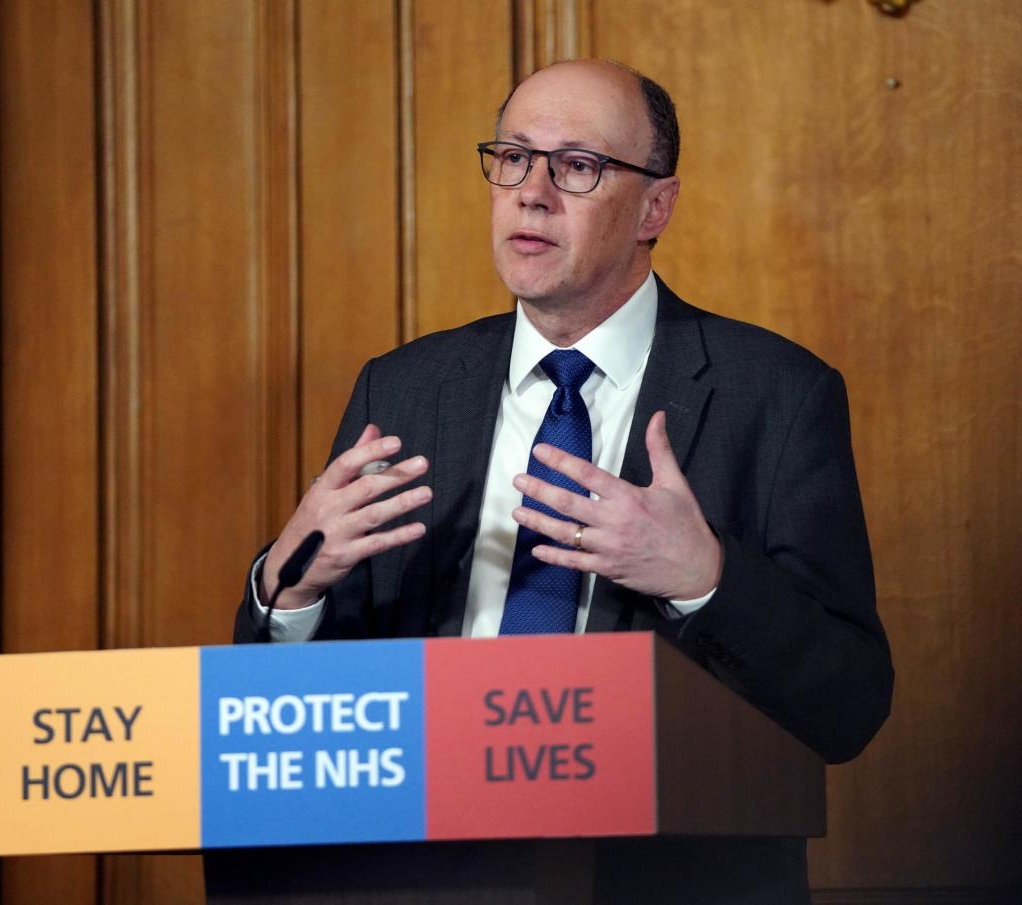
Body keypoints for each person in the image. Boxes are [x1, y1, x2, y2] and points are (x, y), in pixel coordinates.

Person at [232, 59, 892, 905]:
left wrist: (706, 581)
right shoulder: (401, 388)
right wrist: (292, 590)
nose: (531, 192)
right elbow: (295, 708)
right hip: (411, 873)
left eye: (577, 166)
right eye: (512, 157)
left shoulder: (777, 395)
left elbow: (849, 705)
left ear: (655, 206)